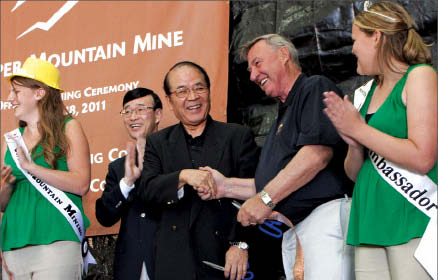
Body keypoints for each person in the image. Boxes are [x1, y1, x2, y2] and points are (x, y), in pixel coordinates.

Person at [203, 34, 354, 280]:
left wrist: (265, 199)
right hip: (297, 230)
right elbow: (270, 180)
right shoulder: (281, 119)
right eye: (250, 68)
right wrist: (225, 186)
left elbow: (317, 154)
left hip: (325, 220)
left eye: (257, 63)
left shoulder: (313, 87)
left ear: (283, 55)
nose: (252, 75)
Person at [323, 2, 437, 280]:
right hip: (369, 221)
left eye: (354, 40)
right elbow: (355, 174)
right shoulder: (368, 90)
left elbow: (423, 158)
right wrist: (353, 141)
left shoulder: (419, 76)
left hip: (411, 217)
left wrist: (360, 131)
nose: (351, 49)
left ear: (376, 37)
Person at [135, 61, 259, 280]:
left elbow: (256, 196)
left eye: (199, 88)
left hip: (225, 261)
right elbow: (147, 190)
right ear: (169, 101)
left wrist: (241, 244)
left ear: (209, 92)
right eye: (182, 91)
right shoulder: (157, 142)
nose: (192, 97)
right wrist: (183, 176)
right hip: (174, 262)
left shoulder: (237, 137)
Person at [0, 57, 91, 279]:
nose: (10, 99)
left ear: (39, 92)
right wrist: (5, 188)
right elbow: (3, 204)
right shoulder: (11, 140)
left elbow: (81, 183)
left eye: (16, 92)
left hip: (57, 238)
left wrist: (32, 168)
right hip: (13, 242)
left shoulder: (69, 127)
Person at [95, 87, 162, 280]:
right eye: (127, 111)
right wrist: (127, 182)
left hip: (169, 262)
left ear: (157, 115)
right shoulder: (118, 168)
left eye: (140, 109)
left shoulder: (174, 159)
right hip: (130, 267)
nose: (133, 117)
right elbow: (104, 216)